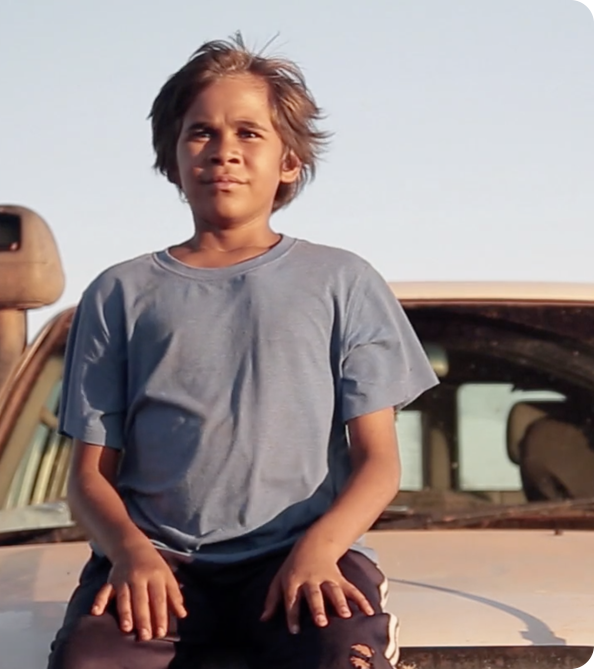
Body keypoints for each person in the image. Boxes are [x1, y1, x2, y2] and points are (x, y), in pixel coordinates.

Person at [48, 35, 438, 669]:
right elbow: (91, 474)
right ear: (171, 159)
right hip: (159, 565)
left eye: (249, 133)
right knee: (87, 660)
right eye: (201, 132)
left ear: (289, 160)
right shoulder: (120, 292)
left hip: (300, 555)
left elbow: (378, 462)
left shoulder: (342, 281)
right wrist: (129, 552)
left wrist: (319, 551)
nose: (224, 151)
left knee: (342, 654)